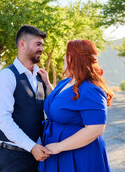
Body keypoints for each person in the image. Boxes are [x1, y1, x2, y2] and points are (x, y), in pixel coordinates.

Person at [37, 40, 113, 172]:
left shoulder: (90, 89)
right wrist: (48, 84)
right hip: (56, 150)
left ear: (76, 59)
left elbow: (96, 129)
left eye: (67, 54)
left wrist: (59, 146)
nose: (63, 58)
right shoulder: (65, 82)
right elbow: (58, 102)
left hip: (78, 154)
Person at [0, 25, 52, 172]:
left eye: (42, 45)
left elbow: (54, 107)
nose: (42, 49)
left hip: (38, 158)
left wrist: (48, 84)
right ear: (22, 44)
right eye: (38, 44)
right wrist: (31, 147)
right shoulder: (6, 76)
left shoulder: (40, 77)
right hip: (13, 160)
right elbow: (3, 119)